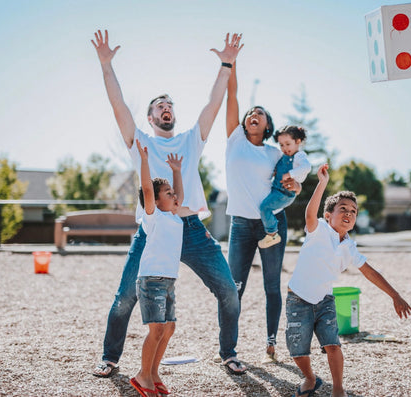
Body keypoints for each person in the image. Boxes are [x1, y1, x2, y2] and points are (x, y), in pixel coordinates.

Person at [90, 30, 248, 377]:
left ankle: (229, 352)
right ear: (150, 118)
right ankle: (110, 356)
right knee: (124, 298)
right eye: (159, 107)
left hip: (190, 228)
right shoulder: (141, 142)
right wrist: (106, 66)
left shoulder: (192, 140)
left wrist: (226, 64)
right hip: (152, 229)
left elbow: (212, 105)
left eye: (170, 106)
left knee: (228, 291)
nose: (166, 109)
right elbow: (118, 106)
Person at [285, 163, 411, 397]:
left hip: (324, 301)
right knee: (298, 351)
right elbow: (309, 214)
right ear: (328, 215)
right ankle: (310, 378)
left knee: (333, 345)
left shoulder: (350, 247)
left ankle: (338, 389)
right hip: (298, 298)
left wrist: (395, 295)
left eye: (353, 211)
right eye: (342, 208)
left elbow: (370, 272)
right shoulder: (318, 229)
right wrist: (322, 183)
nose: (348, 213)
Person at [225, 60, 301, 364]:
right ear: (244, 123)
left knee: (272, 285)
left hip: (272, 226)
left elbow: (290, 184)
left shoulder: (275, 152)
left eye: (260, 113)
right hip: (241, 225)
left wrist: (295, 185)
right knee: (234, 289)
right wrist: (229, 63)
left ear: (268, 125)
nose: (253, 115)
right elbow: (232, 98)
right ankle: (228, 349)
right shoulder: (234, 142)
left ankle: (271, 342)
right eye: (249, 114)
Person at [130, 143, 182, 396]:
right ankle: (142, 375)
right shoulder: (153, 217)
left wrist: (177, 171)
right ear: (155, 200)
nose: (174, 196)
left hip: (169, 280)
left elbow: (178, 195)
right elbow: (148, 189)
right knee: (157, 329)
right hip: (151, 280)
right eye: (168, 193)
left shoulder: (174, 217)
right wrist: (144, 160)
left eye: (173, 193)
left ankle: (153, 372)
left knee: (169, 327)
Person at [258, 125, 310, 249]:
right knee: (265, 207)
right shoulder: (285, 156)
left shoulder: (299, 156)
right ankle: (272, 230)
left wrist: (290, 174)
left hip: (285, 193)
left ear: (297, 141)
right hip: (277, 190)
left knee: (264, 208)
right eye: (281, 145)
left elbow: (307, 167)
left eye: (288, 144)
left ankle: (272, 234)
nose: (284, 148)